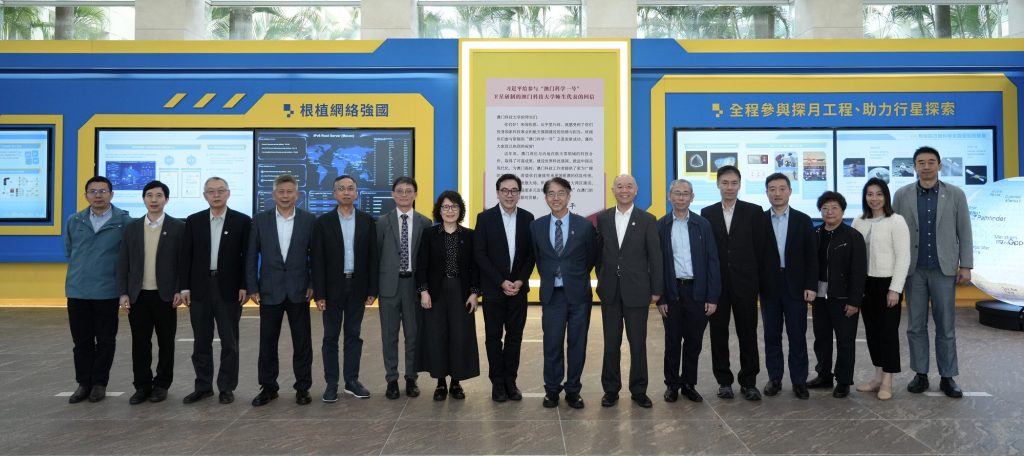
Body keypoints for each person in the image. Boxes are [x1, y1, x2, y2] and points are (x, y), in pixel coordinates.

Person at [892, 146, 972, 398]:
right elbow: (895, 232)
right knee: (915, 326)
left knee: (946, 326)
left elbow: (964, 231)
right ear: (914, 166)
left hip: (943, 269)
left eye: (930, 162)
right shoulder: (902, 195)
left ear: (939, 165)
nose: (926, 167)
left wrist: (966, 265)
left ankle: (948, 376)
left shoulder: (956, 194)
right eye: (921, 162)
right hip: (913, 270)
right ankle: (921, 374)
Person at [180, 177, 252, 405]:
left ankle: (226, 387)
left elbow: (247, 257)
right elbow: (186, 256)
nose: (216, 195)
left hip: (229, 289)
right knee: (201, 341)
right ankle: (203, 387)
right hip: (199, 288)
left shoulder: (242, 221)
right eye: (211, 191)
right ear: (205, 196)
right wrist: (184, 287)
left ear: (228, 193)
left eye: (221, 191)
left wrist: (245, 285)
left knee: (229, 342)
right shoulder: (194, 221)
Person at [246, 174, 316, 406]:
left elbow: (315, 257)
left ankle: (303, 388)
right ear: (274, 194)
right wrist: (252, 287)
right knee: (267, 343)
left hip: (299, 290)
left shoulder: (309, 220)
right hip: (269, 290)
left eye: (289, 192)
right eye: (281, 192)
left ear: (297, 194)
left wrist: (312, 284)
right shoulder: (260, 220)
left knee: (302, 343)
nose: (285, 196)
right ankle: (268, 388)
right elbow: (251, 256)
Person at [63, 176, 133, 404]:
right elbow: (70, 250)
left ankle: (99, 383)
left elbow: (128, 256)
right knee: (81, 342)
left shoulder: (124, 221)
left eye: (103, 191)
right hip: (78, 290)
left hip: (107, 291)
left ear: (112, 194)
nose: (98, 195)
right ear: (86, 195)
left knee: (105, 341)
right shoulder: (74, 220)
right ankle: (84, 383)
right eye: (93, 191)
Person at [595, 174, 662, 408]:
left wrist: (656, 289)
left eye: (629, 186)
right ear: (613, 190)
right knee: (611, 343)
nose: (624, 190)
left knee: (638, 343)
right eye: (620, 186)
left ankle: (639, 390)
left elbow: (655, 257)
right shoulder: (603, 218)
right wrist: (604, 278)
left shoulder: (647, 219)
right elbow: (599, 254)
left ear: (636, 190)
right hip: (610, 291)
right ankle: (610, 390)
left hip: (638, 291)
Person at [530, 177, 598, 409]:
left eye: (561, 193)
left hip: (578, 294)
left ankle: (573, 390)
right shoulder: (537, 226)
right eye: (551, 193)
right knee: (552, 344)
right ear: (545, 197)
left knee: (577, 344)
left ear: (569, 196)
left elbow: (591, 257)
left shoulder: (585, 226)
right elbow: (538, 258)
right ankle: (551, 390)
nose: (556, 198)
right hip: (552, 295)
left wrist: (573, 276)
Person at [117, 180, 186, 404]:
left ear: (166, 199)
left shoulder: (178, 227)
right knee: (140, 343)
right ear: (143, 199)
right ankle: (142, 386)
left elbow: (183, 262)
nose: (154, 200)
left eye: (158, 196)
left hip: (165, 296)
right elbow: (123, 262)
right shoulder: (132, 227)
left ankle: (162, 385)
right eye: (149, 195)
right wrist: (123, 292)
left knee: (166, 343)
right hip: (138, 296)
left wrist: (179, 289)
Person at [699, 165, 765, 401]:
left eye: (734, 183)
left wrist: (758, 284)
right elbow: (705, 252)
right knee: (718, 335)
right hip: (717, 286)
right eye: (725, 183)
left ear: (740, 185)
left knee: (748, 333)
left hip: (745, 284)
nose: (729, 187)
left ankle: (749, 382)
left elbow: (760, 250)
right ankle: (724, 381)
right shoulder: (707, 213)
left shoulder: (754, 212)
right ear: (718, 184)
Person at [311, 175, 378, 402]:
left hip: (357, 286)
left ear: (356, 193)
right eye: (341, 188)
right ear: (334, 193)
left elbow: (373, 258)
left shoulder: (368, 221)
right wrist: (319, 293)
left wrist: (372, 289)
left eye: (350, 188)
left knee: (353, 335)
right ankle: (331, 384)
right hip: (332, 289)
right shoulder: (323, 222)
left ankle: (351, 381)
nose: (346, 192)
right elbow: (317, 260)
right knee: (330, 337)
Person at [657, 179, 720, 403]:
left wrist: (712, 296)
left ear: (692, 197)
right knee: (672, 341)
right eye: (677, 193)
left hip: (697, 292)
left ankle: (689, 384)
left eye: (685, 193)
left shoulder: (702, 225)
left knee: (694, 341)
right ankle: (672, 384)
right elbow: (657, 265)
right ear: (669, 196)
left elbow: (712, 261)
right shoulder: (661, 226)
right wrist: (661, 297)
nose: (681, 197)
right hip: (672, 291)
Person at [473, 173, 535, 402]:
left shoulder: (528, 218)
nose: (510, 195)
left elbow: (531, 255)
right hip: (493, 289)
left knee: (515, 337)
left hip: (518, 290)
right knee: (493, 337)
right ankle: (497, 383)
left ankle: (511, 381)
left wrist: (520, 280)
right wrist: (500, 281)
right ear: (498, 193)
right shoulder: (485, 218)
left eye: (514, 190)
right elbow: (480, 254)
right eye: (505, 190)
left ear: (519, 193)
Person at [416, 191, 482, 401]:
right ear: (439, 210)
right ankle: (440, 383)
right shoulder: (429, 234)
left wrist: (474, 293)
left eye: (454, 207)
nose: (450, 211)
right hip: (436, 293)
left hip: (461, 293)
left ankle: (456, 382)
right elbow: (422, 265)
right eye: (445, 207)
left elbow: (475, 268)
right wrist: (423, 291)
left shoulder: (469, 236)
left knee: (459, 336)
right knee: (437, 336)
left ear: (460, 210)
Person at [758, 173, 817, 400]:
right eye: (772, 189)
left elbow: (811, 256)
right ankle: (775, 379)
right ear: (767, 193)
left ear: (790, 191)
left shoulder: (803, 220)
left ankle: (799, 381)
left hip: (796, 287)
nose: (777, 193)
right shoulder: (760, 220)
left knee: (797, 336)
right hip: (769, 288)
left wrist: (811, 285)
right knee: (771, 336)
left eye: (782, 188)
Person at [852, 178, 910, 401]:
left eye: (879, 194)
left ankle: (887, 381)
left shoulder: (896, 221)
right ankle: (877, 378)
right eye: (870, 194)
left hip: (888, 284)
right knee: (872, 332)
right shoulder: (859, 221)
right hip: (865, 284)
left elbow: (903, 257)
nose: (874, 198)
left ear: (886, 196)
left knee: (888, 333)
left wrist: (895, 289)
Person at [375, 176, 431, 399]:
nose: (404, 195)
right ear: (393, 195)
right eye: (400, 191)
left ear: (416, 194)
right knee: (389, 335)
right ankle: (391, 379)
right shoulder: (381, 222)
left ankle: (411, 378)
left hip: (414, 287)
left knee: (413, 335)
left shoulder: (425, 222)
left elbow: (426, 259)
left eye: (409, 191)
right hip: (388, 286)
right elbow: (376, 255)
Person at [809, 191, 867, 399]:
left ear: (842, 211)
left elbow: (858, 271)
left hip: (843, 298)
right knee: (821, 339)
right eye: (825, 208)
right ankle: (824, 375)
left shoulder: (853, 236)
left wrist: (854, 301)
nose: (829, 212)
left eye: (834, 208)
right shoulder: (815, 234)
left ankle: (843, 381)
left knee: (845, 341)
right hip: (820, 298)